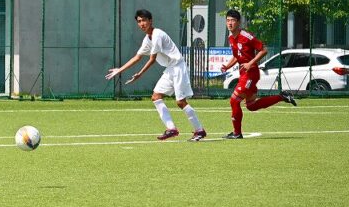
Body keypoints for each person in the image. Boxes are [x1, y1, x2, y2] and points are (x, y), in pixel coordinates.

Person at [106, 9, 207, 141]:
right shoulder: (147, 39)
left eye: (144, 20)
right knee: (156, 97)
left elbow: (152, 59)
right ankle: (171, 129)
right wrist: (120, 70)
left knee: (180, 102)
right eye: (139, 21)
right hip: (170, 69)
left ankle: (199, 130)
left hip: (178, 67)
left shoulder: (158, 34)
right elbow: (137, 57)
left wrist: (140, 74)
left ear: (150, 21)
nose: (142, 24)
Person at [219, 9, 296, 139]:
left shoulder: (246, 36)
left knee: (234, 100)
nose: (230, 23)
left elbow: (263, 50)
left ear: (238, 22)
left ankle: (237, 133)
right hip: (244, 73)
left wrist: (250, 63)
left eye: (232, 20)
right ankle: (281, 97)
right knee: (251, 106)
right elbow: (237, 56)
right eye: (228, 20)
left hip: (251, 73)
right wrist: (227, 66)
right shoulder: (231, 38)